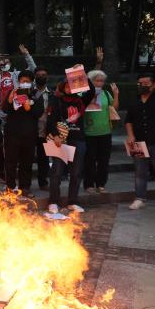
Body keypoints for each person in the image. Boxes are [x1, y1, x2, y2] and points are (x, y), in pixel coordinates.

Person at [125, 44, 155, 214]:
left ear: (153, 85)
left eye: (145, 83)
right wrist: (130, 136)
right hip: (138, 142)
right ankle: (139, 198)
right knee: (140, 173)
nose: (142, 86)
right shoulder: (135, 100)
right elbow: (128, 120)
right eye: (140, 83)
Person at [46, 68, 97, 214]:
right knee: (56, 172)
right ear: (62, 87)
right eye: (66, 86)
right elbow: (51, 120)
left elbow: (91, 91)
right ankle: (53, 201)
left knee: (76, 172)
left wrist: (82, 75)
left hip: (78, 139)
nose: (69, 88)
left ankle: (72, 201)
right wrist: (55, 135)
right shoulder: (56, 101)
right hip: (60, 141)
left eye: (71, 86)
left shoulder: (81, 101)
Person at [1, 70, 43, 197]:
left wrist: (28, 106)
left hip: (29, 134)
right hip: (12, 133)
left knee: (27, 161)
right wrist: (10, 98)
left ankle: (25, 187)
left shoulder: (36, 94)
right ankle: (10, 187)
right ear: (18, 81)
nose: (25, 83)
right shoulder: (13, 92)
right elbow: (5, 110)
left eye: (28, 81)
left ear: (32, 82)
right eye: (23, 81)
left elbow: (39, 113)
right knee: (10, 162)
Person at [83, 70, 119, 194]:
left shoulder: (105, 93)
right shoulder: (85, 94)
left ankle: (101, 184)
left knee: (104, 160)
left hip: (105, 132)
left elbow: (113, 108)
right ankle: (89, 184)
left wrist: (116, 94)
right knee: (90, 160)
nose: (99, 83)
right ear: (90, 81)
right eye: (96, 80)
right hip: (89, 132)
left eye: (101, 81)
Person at [32, 66, 51, 190]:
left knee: (44, 159)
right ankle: (25, 184)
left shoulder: (52, 94)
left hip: (45, 131)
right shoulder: (30, 93)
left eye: (43, 75)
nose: (41, 77)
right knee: (27, 158)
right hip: (31, 129)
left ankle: (43, 182)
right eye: (39, 75)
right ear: (34, 77)